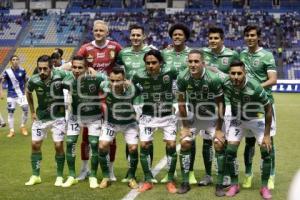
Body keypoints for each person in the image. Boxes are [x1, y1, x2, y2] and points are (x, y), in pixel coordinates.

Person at [76, 19, 122, 181]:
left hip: (109, 97)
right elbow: (74, 64)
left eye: (101, 31)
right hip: (90, 97)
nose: (98, 33)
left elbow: (126, 65)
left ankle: (110, 170)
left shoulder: (115, 47)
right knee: (87, 134)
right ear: (93, 31)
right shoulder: (85, 48)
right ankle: (84, 169)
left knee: (111, 132)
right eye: (96, 30)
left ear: (107, 32)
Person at [176, 49, 225, 195]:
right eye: (190, 61)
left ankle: (220, 184)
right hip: (193, 116)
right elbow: (181, 103)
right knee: (185, 143)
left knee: (219, 143)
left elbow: (220, 105)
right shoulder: (182, 77)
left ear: (203, 63)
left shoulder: (213, 78)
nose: (192, 64)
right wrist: (184, 127)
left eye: (196, 61)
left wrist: (218, 129)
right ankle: (185, 182)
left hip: (211, 117)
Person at [223, 60, 273, 199]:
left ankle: (264, 187)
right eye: (233, 73)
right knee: (230, 151)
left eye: (239, 73)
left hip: (256, 119)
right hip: (238, 119)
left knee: (266, 150)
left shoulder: (255, 86)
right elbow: (214, 72)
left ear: (245, 73)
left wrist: (267, 135)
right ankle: (234, 184)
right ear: (229, 74)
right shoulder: (226, 82)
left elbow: (268, 109)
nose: (236, 76)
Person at [132, 49, 178, 193]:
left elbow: (179, 85)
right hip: (148, 115)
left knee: (171, 145)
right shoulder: (139, 75)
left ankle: (170, 180)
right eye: (148, 63)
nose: (150, 65)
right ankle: (148, 180)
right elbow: (133, 91)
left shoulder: (170, 71)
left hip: (167, 115)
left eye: (154, 63)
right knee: (144, 145)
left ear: (161, 63)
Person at [200, 26, 239, 187]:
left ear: (222, 39)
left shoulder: (232, 54)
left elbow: (237, 76)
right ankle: (208, 174)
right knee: (207, 141)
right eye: (210, 38)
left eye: (216, 38)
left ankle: (225, 175)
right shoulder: (203, 53)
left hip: (227, 104)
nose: (213, 41)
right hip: (206, 105)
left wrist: (217, 73)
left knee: (223, 141)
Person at [116, 24, 155, 183]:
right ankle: (130, 171)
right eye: (133, 35)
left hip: (147, 101)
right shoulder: (123, 53)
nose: (135, 38)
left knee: (147, 139)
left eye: (138, 35)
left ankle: (149, 171)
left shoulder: (152, 52)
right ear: (129, 36)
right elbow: (115, 70)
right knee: (130, 136)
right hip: (130, 102)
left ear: (144, 36)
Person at [240, 25, 277, 190]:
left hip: (264, 104)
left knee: (267, 142)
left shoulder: (267, 55)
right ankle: (248, 175)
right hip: (246, 105)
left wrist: (255, 89)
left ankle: (270, 176)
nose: (250, 38)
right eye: (247, 35)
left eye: (253, 35)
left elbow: (273, 79)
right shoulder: (241, 54)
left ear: (259, 37)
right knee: (248, 143)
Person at [61, 55, 108, 188]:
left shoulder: (96, 78)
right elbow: (54, 72)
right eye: (74, 67)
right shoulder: (67, 79)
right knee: (70, 142)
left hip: (94, 117)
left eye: (80, 67)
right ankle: (71, 176)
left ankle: (92, 175)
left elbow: (107, 81)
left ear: (86, 68)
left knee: (94, 144)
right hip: (75, 116)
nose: (76, 70)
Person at [161, 23, 196, 184]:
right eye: (174, 34)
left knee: (188, 138)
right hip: (168, 102)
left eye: (180, 35)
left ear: (185, 37)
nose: (176, 37)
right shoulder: (164, 54)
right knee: (170, 139)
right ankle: (170, 171)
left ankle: (190, 172)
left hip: (187, 101)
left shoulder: (192, 54)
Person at [25, 55, 67, 186]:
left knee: (58, 145)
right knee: (35, 145)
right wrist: (32, 111)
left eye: (45, 69)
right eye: (40, 69)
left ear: (51, 67)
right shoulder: (34, 80)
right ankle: (35, 175)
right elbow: (28, 92)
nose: (42, 72)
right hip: (41, 117)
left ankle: (59, 176)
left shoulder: (60, 74)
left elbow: (73, 72)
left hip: (58, 117)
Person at [98, 67, 139, 189]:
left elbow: (145, 92)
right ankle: (106, 176)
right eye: (112, 80)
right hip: (111, 122)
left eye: (118, 81)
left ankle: (131, 177)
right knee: (102, 145)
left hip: (129, 123)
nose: (114, 84)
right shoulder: (104, 85)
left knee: (133, 148)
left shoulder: (132, 89)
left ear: (124, 80)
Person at [0, 55, 28, 137]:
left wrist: (26, 91)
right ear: (11, 61)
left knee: (26, 109)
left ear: (19, 61)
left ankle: (22, 126)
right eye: (13, 59)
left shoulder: (23, 70)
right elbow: (1, 81)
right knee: (11, 112)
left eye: (16, 59)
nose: (15, 61)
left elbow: (26, 81)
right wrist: (1, 91)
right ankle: (11, 131)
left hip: (21, 95)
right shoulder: (7, 72)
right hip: (11, 95)